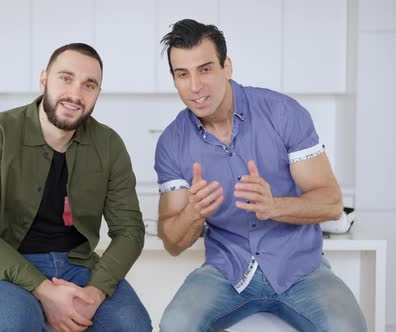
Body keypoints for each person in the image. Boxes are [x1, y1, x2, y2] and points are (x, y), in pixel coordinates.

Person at [155, 19, 367, 332]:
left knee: (347, 327)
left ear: (227, 67)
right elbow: (172, 242)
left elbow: (331, 203)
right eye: (182, 74)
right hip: (226, 273)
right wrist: (193, 214)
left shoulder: (282, 113)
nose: (195, 86)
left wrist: (275, 206)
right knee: (175, 325)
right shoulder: (172, 142)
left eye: (205, 69)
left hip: (301, 270)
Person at [0, 43, 152, 332]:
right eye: (66, 78)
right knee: (19, 323)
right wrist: (45, 291)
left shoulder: (109, 144)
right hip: (4, 266)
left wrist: (95, 292)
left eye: (89, 85)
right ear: (44, 79)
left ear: (98, 93)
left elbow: (130, 231)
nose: (75, 94)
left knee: (133, 326)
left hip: (79, 264)